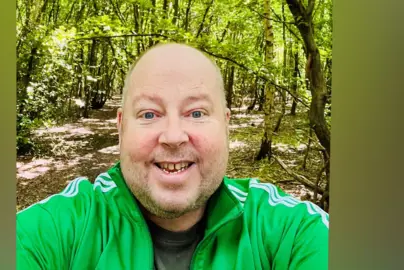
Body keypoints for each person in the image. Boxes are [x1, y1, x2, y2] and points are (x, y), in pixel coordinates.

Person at [16, 43, 329, 270]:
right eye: (150, 114)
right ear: (121, 127)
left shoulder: (292, 232)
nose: (173, 136)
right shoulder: (58, 231)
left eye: (196, 112)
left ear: (226, 126)